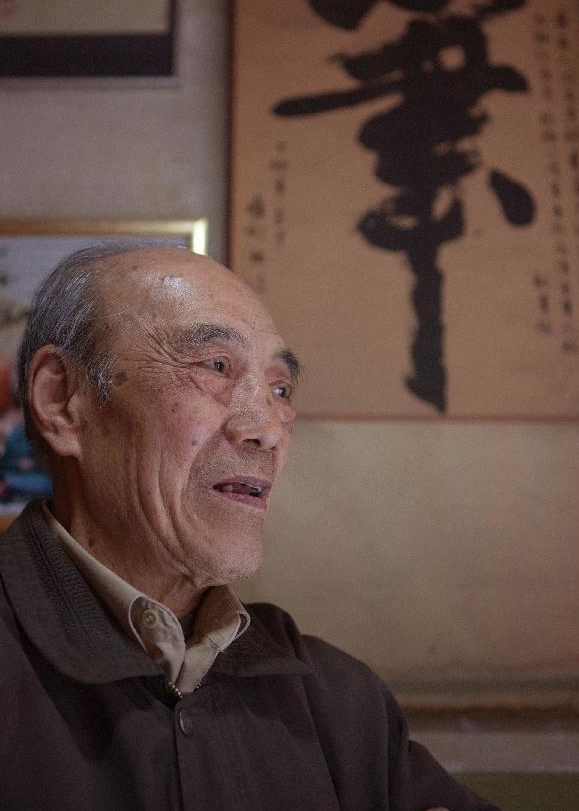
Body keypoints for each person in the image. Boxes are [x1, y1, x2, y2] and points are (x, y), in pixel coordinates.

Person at [0, 244, 498, 810]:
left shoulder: (337, 700)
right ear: (62, 400)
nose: (267, 430)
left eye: (280, 390)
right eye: (215, 366)